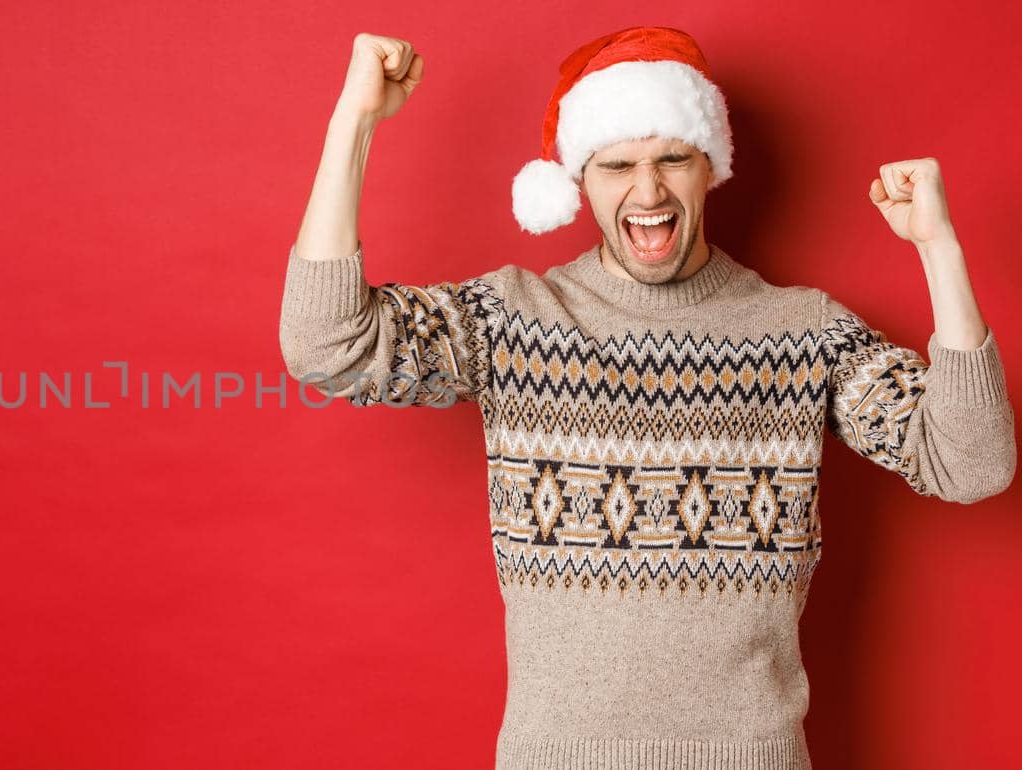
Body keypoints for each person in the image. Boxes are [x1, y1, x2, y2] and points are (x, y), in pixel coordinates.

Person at [278, 26, 1015, 770]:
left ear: (710, 167)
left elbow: (970, 462)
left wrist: (939, 249)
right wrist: (356, 122)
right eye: (618, 165)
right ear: (579, 180)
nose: (649, 189)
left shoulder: (802, 331)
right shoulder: (512, 319)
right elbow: (326, 344)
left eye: (673, 158)